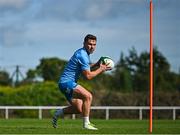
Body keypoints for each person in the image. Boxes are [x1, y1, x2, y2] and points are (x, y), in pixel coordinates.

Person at [52, 34, 110, 130]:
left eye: (94, 44)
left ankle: (58, 113)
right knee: (88, 96)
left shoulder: (83, 53)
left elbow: (86, 67)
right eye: (90, 44)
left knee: (78, 109)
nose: (92, 47)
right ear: (84, 43)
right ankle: (86, 124)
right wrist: (101, 69)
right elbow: (88, 76)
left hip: (65, 83)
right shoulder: (83, 55)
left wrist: (97, 64)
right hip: (66, 82)